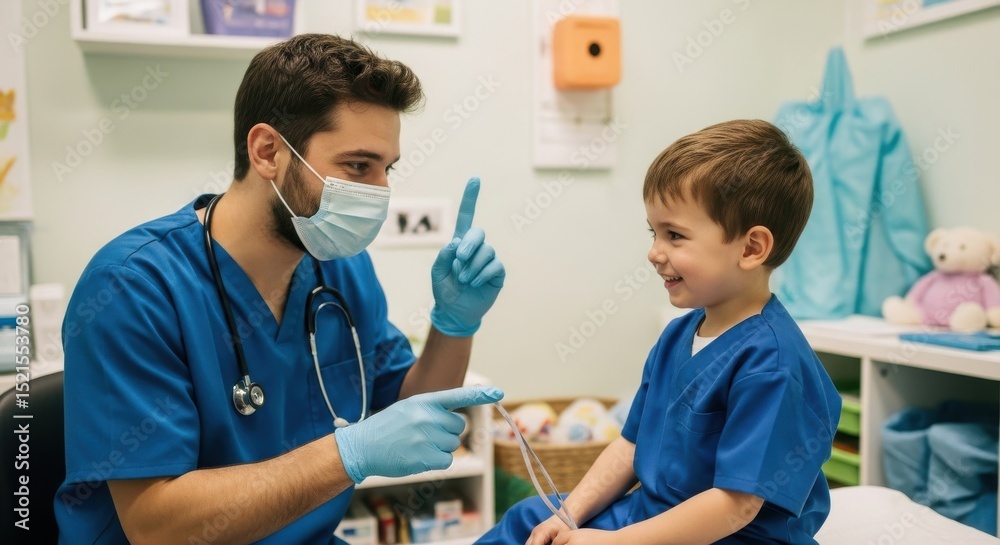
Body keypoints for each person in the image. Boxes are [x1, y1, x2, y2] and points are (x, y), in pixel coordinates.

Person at [54, 34, 506, 545]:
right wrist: (348, 454)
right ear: (267, 151)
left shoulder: (342, 268)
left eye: (387, 169)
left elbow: (406, 409)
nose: (380, 193)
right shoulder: (134, 287)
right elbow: (156, 525)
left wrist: (455, 324)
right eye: (358, 166)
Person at [477, 119, 841, 545]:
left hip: (732, 537)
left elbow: (735, 506)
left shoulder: (772, 366)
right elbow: (631, 449)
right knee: (529, 519)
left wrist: (614, 543)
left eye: (674, 235)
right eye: (654, 232)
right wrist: (569, 515)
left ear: (751, 248)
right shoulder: (678, 337)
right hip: (651, 514)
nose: (654, 252)